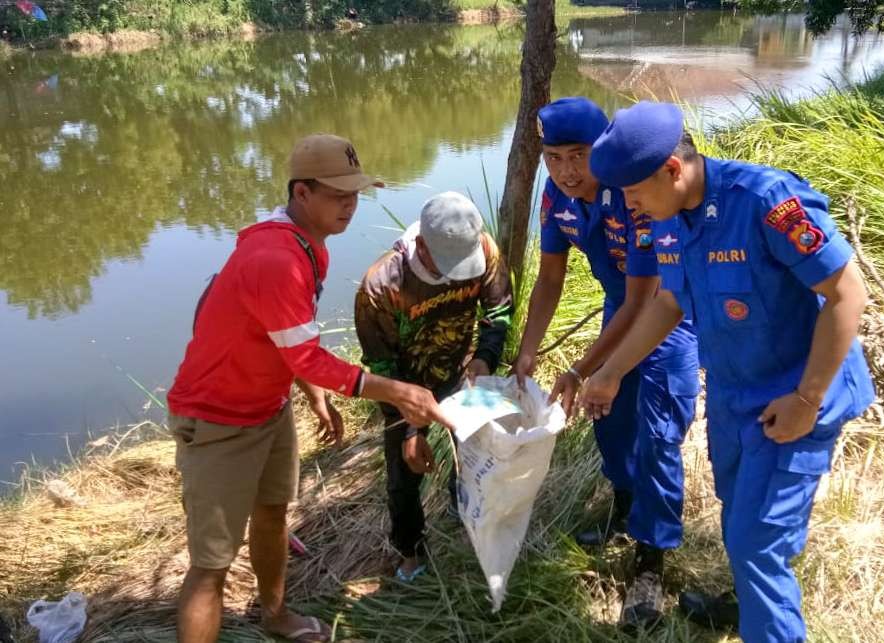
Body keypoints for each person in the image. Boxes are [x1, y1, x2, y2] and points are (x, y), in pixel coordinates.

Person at [581, 101, 875, 642]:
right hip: (736, 397)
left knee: (756, 546)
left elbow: (846, 293)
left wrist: (806, 400)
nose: (631, 207)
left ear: (673, 169)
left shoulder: (764, 201)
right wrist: (613, 371)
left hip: (796, 397)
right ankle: (749, 607)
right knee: (740, 516)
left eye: (635, 193)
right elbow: (669, 303)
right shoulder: (668, 221)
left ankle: (768, 619)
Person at [166, 134, 452, 643]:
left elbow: (286, 339)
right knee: (210, 566)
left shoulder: (308, 246)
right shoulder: (276, 258)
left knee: (273, 513)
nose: (350, 205)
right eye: (338, 195)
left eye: (355, 193)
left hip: (268, 408)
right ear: (302, 193)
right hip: (218, 418)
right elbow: (304, 355)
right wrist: (397, 391)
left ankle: (275, 616)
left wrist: (312, 392)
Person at [512, 97, 700, 628]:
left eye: (580, 155)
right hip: (620, 306)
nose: (568, 171)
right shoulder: (556, 195)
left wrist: (581, 370)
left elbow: (646, 300)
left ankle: (651, 560)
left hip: (668, 310)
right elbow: (550, 278)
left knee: (658, 433)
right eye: (555, 158)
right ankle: (623, 502)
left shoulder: (633, 191)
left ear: (604, 149)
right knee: (609, 419)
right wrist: (529, 350)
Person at [355, 191, 514, 583]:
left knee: (477, 455)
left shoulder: (485, 250)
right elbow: (382, 368)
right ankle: (411, 554)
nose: (459, 273)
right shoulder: (381, 286)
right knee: (403, 476)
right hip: (404, 387)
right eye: (449, 266)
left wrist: (484, 359)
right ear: (421, 245)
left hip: (461, 375)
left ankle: (465, 511)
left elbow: (498, 310)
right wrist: (410, 428)